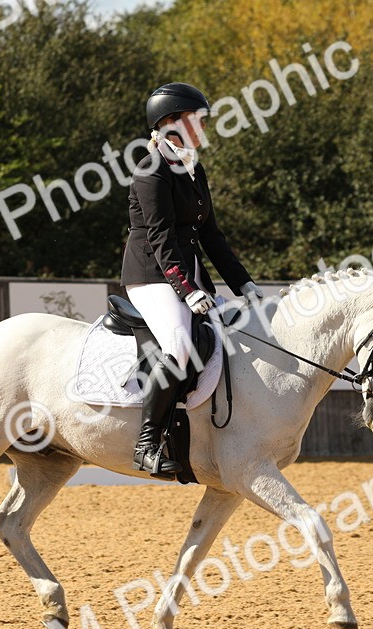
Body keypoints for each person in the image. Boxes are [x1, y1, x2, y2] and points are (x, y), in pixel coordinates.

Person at [121, 82, 263, 477]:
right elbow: (160, 236)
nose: (203, 127)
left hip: (187, 274)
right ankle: (147, 444)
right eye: (196, 120)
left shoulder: (192, 166)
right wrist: (187, 291)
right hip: (152, 276)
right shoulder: (151, 169)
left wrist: (244, 284)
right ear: (170, 123)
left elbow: (211, 235)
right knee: (180, 345)